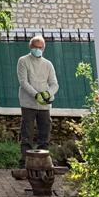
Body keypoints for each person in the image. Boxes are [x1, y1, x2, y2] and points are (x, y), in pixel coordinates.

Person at [17, 35, 59, 166]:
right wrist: (36, 95)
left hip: (44, 106)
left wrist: (47, 94)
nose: (37, 49)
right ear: (30, 47)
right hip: (28, 103)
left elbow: (54, 84)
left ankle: (43, 162)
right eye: (35, 47)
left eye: (40, 47)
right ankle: (25, 161)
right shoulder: (23, 61)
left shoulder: (48, 64)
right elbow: (23, 82)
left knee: (44, 134)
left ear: (44, 48)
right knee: (27, 133)